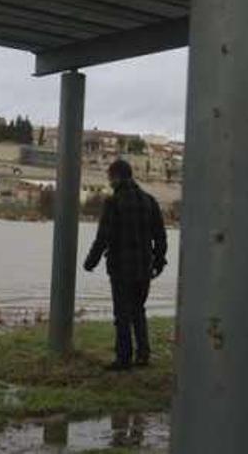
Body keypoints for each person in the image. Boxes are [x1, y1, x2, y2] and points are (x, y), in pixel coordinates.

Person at [83, 159, 167, 371]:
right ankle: (143, 354)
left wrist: (90, 262)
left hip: (121, 267)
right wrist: (159, 261)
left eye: (110, 177)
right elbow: (161, 236)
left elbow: (103, 237)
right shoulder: (150, 201)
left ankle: (123, 358)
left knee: (121, 314)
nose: (109, 181)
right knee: (138, 310)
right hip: (144, 267)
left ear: (116, 176)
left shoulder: (113, 202)